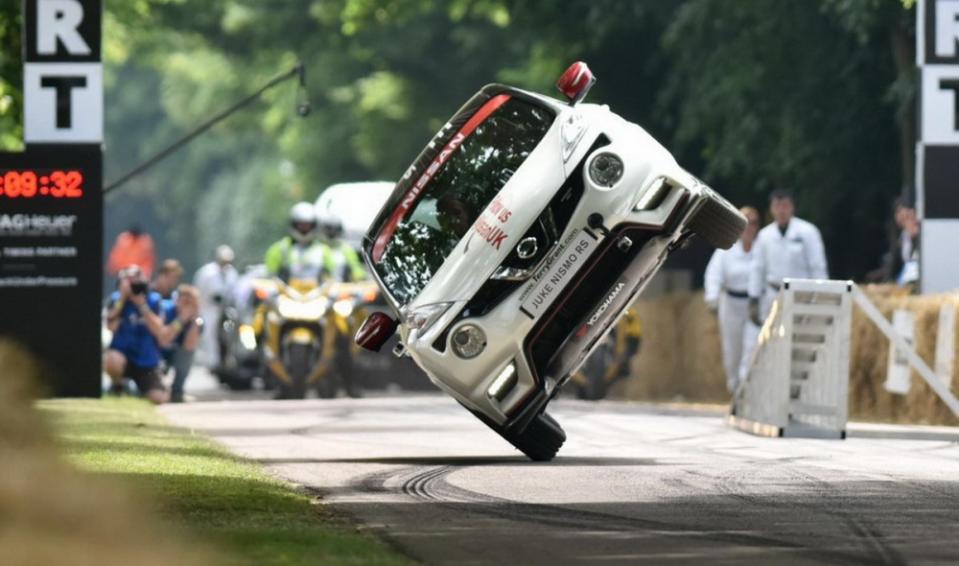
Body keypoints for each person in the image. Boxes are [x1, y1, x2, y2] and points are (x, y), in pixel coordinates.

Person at [748, 190, 828, 326]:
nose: (781, 211)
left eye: (785, 206)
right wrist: (753, 298)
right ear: (771, 209)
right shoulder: (764, 235)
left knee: (801, 339)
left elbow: (817, 265)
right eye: (777, 206)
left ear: (792, 207)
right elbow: (757, 268)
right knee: (774, 340)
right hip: (773, 294)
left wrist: (821, 295)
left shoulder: (808, 232)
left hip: (802, 295)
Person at [705, 206, 761, 393]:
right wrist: (712, 297)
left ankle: (746, 390)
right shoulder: (726, 250)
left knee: (751, 347)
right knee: (733, 350)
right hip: (730, 304)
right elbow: (714, 273)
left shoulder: (762, 249)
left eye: (753, 223)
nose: (749, 227)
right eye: (745, 222)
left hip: (754, 305)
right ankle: (734, 385)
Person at [104, 265, 177, 404]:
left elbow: (158, 329)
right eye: (130, 279)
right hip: (123, 356)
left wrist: (142, 305)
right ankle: (118, 385)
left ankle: (136, 390)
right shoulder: (116, 299)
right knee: (112, 359)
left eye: (138, 277)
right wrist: (123, 299)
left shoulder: (154, 300)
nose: (135, 283)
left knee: (158, 398)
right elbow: (110, 326)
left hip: (146, 360)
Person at [194, 245, 239, 366]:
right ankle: (212, 362)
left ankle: (229, 358)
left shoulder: (232, 273)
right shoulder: (207, 272)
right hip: (208, 308)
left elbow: (235, 291)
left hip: (226, 310)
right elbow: (200, 290)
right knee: (209, 334)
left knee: (230, 332)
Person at [264, 202, 331, 281]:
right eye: (301, 225)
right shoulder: (280, 249)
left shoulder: (323, 251)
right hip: (284, 292)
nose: (304, 229)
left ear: (314, 226)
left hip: (319, 293)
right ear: (293, 224)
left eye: (307, 226)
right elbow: (269, 276)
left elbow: (331, 278)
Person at [160, 285, 202, 403]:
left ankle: (177, 391)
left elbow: (189, 346)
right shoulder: (166, 310)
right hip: (159, 353)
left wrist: (194, 320)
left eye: (191, 303)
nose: (187, 306)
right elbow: (164, 339)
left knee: (187, 355)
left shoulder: (198, 320)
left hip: (177, 354)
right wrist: (181, 319)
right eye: (184, 301)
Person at [318, 213, 367, 282]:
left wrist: (361, 278)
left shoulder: (347, 249)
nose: (332, 232)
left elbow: (356, 269)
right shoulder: (317, 247)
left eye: (335, 229)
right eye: (329, 229)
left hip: (340, 288)